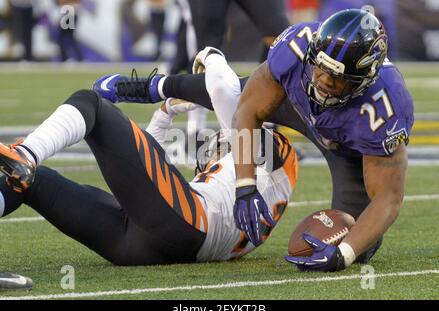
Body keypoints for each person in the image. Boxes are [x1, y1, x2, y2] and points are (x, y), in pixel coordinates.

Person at [92, 8, 414, 272]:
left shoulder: (385, 109)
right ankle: (149, 88)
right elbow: (247, 111)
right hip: (295, 103)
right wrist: (245, 186)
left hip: (345, 148)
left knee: (362, 244)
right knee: (229, 93)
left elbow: (388, 199)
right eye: (320, 69)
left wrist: (344, 252)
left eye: (337, 78)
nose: (324, 81)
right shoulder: (297, 50)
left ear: (363, 81)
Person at [0, 54, 298, 265]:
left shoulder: (267, 150)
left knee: (91, 104)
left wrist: (211, 55)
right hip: (148, 245)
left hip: (184, 224)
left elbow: (223, 88)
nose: (212, 149)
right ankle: (23, 162)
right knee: (28, 180)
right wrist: (164, 114)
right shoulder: (262, 179)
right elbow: (150, 182)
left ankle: (25, 153)